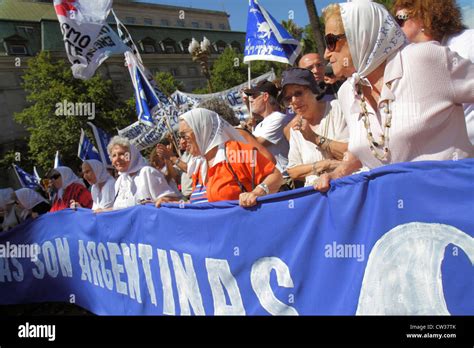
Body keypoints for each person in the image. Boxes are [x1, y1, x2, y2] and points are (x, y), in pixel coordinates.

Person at [315, 1, 474, 192]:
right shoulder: (347, 93)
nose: (326, 54)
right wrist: (338, 173)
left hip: (453, 201)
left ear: (361, 34)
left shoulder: (425, 60)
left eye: (331, 42)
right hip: (397, 213)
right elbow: (369, 146)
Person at [393, 0, 474, 145]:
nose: (396, 27)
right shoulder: (411, 58)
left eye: (399, 20)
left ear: (423, 17)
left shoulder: (467, 43)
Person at [175, 108, 283, 207]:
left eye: (184, 135)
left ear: (202, 130)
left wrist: (256, 193)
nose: (182, 142)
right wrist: (173, 205)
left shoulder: (235, 151)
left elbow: (275, 175)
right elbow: (202, 202)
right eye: (180, 137)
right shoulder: (199, 164)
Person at [279, 68, 349, 187]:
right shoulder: (296, 128)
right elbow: (293, 171)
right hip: (316, 196)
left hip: (345, 185)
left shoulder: (336, 109)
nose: (294, 101)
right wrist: (324, 165)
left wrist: (314, 138)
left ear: (313, 90)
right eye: (288, 98)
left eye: (298, 93)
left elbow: (351, 153)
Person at [108, 136, 179, 210]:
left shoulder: (147, 173)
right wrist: (102, 211)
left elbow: (172, 201)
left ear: (132, 155)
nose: (117, 159)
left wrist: (164, 200)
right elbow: (118, 209)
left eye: (121, 154)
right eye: (114, 155)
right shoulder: (120, 181)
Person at [243, 80, 290, 185]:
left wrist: (242, 132)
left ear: (265, 96)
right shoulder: (260, 124)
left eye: (254, 96)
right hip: (270, 180)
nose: (251, 100)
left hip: (283, 179)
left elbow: (257, 144)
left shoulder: (278, 118)